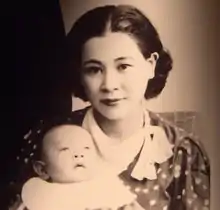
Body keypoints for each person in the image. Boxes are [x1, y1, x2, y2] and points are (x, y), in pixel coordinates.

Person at [11, 4, 210, 210]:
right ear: (79, 73)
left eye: (123, 66)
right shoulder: (46, 139)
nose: (109, 84)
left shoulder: (182, 152)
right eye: (94, 69)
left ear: (150, 65)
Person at [10, 124, 141, 210]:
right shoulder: (39, 195)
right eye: (65, 150)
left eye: (86, 149)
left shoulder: (105, 186)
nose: (79, 155)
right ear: (42, 170)